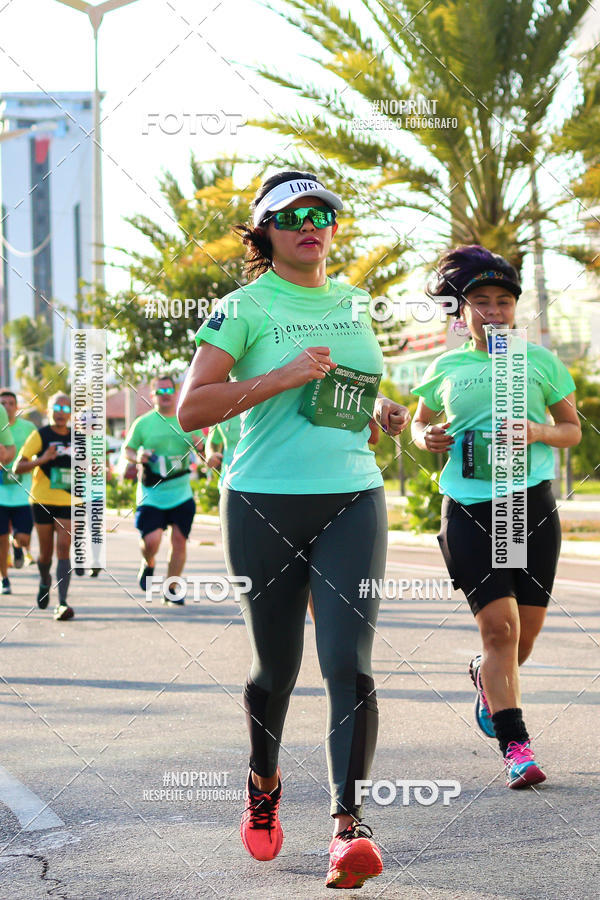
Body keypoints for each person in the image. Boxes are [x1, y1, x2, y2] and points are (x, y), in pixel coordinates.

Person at [178, 170, 410, 889]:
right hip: (262, 503)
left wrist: (378, 412)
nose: (311, 223)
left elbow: (346, 386)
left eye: (323, 213)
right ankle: (264, 780)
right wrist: (277, 377)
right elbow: (191, 408)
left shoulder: (354, 302)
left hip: (353, 497)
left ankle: (349, 827)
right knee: (275, 669)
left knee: (351, 663)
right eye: (292, 215)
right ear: (266, 232)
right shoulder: (241, 307)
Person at [411, 245, 581, 789]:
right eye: (479, 302)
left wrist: (536, 432)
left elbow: (572, 430)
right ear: (460, 314)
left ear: (515, 309)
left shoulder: (541, 363)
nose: (493, 311)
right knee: (499, 628)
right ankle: (517, 746)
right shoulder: (447, 367)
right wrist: (428, 437)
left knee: (522, 639)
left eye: (503, 302)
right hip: (470, 508)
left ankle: (487, 682)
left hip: (528, 505)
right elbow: (421, 427)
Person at [123, 375, 205, 604]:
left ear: (176, 393)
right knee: (152, 542)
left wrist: (201, 448)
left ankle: (171, 589)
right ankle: (148, 563)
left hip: (181, 492)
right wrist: (137, 456)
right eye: (160, 391)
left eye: (169, 390)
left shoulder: (186, 420)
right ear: (152, 396)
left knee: (179, 541)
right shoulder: (143, 423)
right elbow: (127, 450)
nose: (165, 394)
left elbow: (202, 448)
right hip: (152, 493)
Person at [15, 392, 75, 621]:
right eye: (56, 408)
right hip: (41, 500)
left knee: (64, 546)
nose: (61, 413)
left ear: (71, 413)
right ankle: (44, 580)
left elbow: (90, 467)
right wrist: (44, 458)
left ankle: (62, 602)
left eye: (66, 409)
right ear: (49, 410)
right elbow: (19, 467)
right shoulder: (40, 436)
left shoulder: (78, 438)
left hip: (69, 501)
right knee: (45, 554)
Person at [0, 391, 35, 594]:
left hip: (24, 493)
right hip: (1, 494)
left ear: (16, 407)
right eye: (3, 403)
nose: (7, 406)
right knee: (0, 538)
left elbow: (38, 452)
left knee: (24, 538)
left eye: (11, 403)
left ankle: (18, 546)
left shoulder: (28, 428)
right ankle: (4, 578)